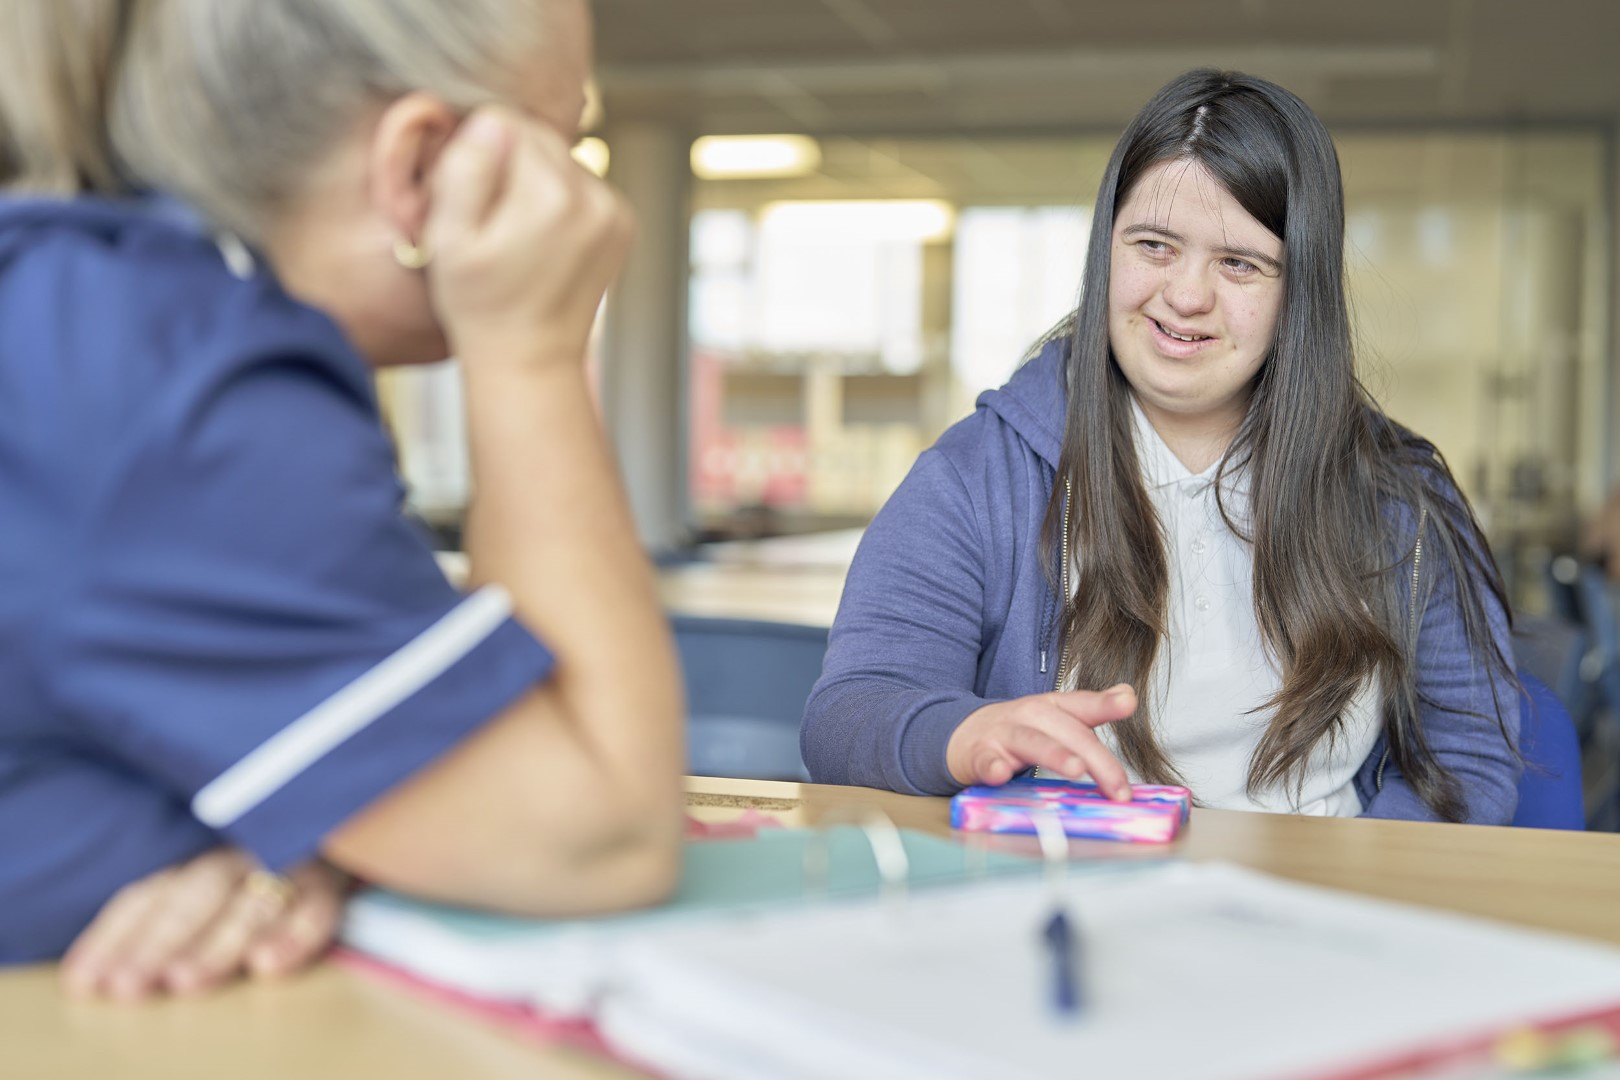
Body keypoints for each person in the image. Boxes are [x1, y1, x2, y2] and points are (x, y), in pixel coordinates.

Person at [0, 0, 685, 995]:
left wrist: (324, 837)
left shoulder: (70, 305)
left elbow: (440, 772)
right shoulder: (167, 386)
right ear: (420, 167)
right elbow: (595, 840)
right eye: (564, 146)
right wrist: (530, 353)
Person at [802, 69, 1521, 823]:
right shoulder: (977, 475)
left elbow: (1469, 761)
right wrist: (966, 733)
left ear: (1299, 291)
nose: (1185, 296)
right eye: (1153, 245)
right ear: (1105, 251)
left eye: (1239, 264)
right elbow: (848, 715)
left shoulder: (1399, 496)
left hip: (1319, 913)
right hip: (1067, 897)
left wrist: (1359, 890)